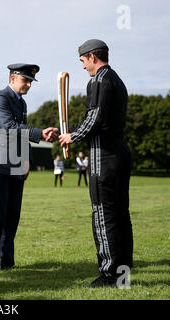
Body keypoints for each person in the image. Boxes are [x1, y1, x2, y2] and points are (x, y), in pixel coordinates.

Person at [59, 39, 133, 288]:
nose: (82, 67)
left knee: (104, 215)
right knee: (121, 214)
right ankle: (124, 274)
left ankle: (110, 275)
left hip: (104, 158)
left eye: (82, 61)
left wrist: (71, 135)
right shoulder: (117, 79)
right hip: (119, 154)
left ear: (92, 57)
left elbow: (94, 120)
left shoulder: (99, 80)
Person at [0, 63, 58, 271]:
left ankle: (6, 261)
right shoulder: (0, 97)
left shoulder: (21, 103)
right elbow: (9, 128)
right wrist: (40, 133)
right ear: (12, 78)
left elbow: (21, 137)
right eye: (26, 80)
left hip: (16, 164)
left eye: (31, 81)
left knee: (12, 215)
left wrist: (27, 160)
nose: (29, 85)